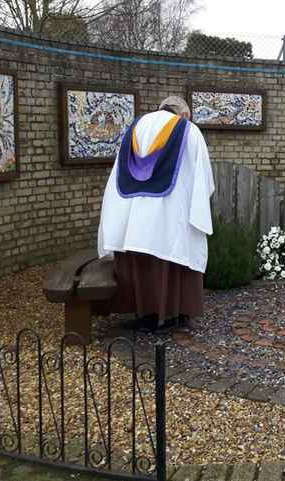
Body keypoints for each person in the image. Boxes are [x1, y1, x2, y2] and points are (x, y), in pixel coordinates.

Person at [98, 96, 215, 330]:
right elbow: (203, 176)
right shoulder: (188, 130)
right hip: (171, 214)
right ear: (183, 114)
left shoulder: (134, 127)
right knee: (171, 253)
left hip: (132, 214)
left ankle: (144, 313)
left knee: (139, 259)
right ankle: (174, 313)